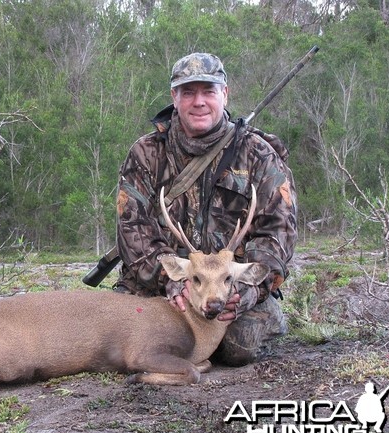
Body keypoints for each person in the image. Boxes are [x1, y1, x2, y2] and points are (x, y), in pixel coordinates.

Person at [114, 52, 297, 366]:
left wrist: (245, 289)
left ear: (224, 94)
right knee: (116, 338)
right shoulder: (145, 153)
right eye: (188, 92)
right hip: (163, 285)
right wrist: (171, 280)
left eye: (208, 91)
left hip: (228, 288)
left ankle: (265, 321)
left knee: (237, 348)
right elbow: (132, 230)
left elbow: (277, 234)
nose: (198, 101)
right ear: (175, 97)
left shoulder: (259, 154)